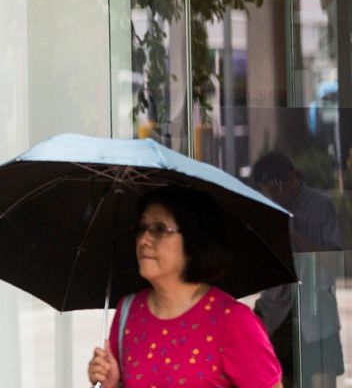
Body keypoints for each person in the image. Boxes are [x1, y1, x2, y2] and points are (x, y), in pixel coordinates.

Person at [87, 186, 282, 388]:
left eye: (160, 229)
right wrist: (111, 384)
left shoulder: (233, 321)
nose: (144, 240)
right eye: (141, 229)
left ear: (194, 240)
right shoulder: (128, 311)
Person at [252, 152, 344, 388]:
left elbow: (333, 263)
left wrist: (293, 236)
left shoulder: (320, 206)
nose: (273, 194)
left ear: (293, 177)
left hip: (316, 314)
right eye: (266, 189)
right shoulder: (263, 210)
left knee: (321, 381)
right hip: (277, 313)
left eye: (277, 186)